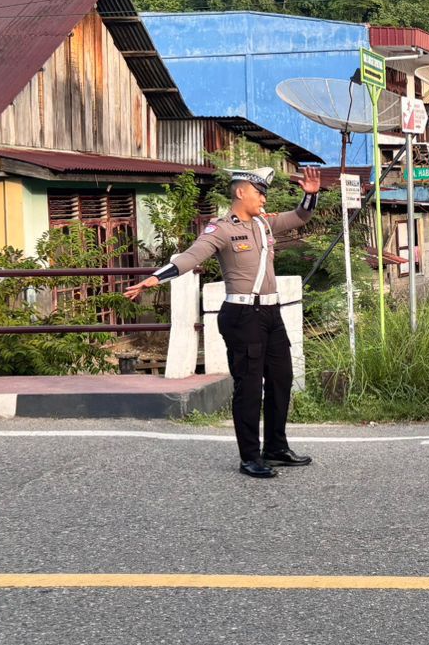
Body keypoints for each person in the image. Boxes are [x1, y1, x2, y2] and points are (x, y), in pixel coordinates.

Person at [127, 167, 322, 478]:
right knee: (249, 386)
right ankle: (250, 457)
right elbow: (191, 257)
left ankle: (276, 448)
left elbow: (301, 216)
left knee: (281, 379)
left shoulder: (264, 223)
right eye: (259, 192)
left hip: (271, 314)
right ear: (241, 192)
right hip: (243, 316)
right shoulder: (221, 229)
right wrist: (155, 278)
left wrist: (310, 194)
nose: (264, 198)